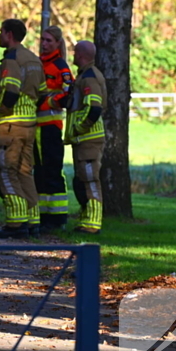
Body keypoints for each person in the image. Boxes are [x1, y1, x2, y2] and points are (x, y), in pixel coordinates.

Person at [0, 19, 47, 239]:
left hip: (10, 126)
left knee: (5, 172)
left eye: (1, 31)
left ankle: (16, 223)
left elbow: (11, 91)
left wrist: (0, 112)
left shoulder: (11, 59)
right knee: (25, 173)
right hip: (29, 126)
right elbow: (42, 92)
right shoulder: (34, 60)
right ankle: (33, 222)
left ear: (10, 34)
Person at [65, 40, 107, 235]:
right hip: (82, 140)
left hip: (89, 139)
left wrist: (80, 128)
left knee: (90, 180)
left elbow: (94, 108)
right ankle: (86, 219)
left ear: (81, 55)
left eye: (74, 52)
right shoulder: (84, 76)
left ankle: (93, 223)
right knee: (81, 180)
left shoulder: (89, 77)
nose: (72, 55)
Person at [35, 26, 74, 230]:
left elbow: (69, 94)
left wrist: (50, 101)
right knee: (39, 172)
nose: (44, 43)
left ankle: (57, 219)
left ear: (57, 43)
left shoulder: (60, 66)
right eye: (42, 39)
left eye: (49, 40)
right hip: (37, 128)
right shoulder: (38, 64)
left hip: (51, 127)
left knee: (52, 170)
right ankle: (43, 216)